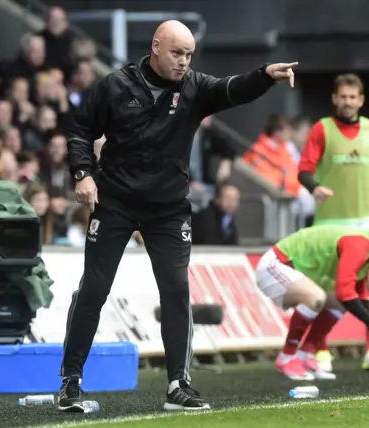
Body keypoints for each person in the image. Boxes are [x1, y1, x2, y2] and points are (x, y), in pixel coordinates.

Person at [60, 19, 298, 412]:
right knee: (94, 289)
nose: (184, 62)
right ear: (155, 47)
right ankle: (70, 381)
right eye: (176, 53)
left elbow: (231, 89)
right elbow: (80, 129)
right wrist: (83, 173)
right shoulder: (116, 85)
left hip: (169, 209)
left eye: (189, 54)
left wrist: (264, 77)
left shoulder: (195, 88)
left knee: (176, 290)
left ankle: (178, 384)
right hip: (115, 202)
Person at [297, 73, 369, 372]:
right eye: (342, 96)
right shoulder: (322, 129)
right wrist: (314, 187)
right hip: (330, 222)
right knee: (329, 291)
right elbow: (304, 169)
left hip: (365, 219)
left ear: (361, 99)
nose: (347, 101)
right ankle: (318, 349)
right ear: (334, 98)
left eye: (352, 96)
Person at [255, 210, 369, 380]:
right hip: (275, 264)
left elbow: (358, 295)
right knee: (317, 298)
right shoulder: (359, 244)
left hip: (290, 268)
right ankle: (287, 357)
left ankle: (305, 354)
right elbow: (345, 293)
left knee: (337, 303)